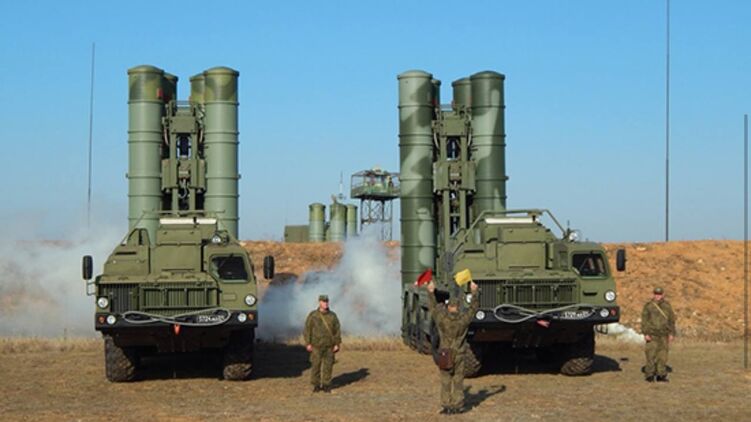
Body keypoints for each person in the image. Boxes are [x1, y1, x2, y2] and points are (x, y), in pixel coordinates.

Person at [424, 279, 479, 414]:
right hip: (459, 354)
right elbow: (473, 309)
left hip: (445, 353)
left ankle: (446, 405)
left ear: (449, 307)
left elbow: (433, 308)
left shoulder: (442, 319)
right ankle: (457, 405)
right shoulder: (463, 320)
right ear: (458, 308)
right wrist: (474, 293)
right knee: (458, 381)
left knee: (445, 381)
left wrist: (430, 292)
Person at [303, 294, 342, 393]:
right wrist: (308, 343)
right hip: (316, 345)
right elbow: (307, 329)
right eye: (324, 301)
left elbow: (337, 330)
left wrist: (337, 344)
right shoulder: (313, 315)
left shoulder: (332, 316)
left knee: (328, 366)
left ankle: (326, 384)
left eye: (327, 301)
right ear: (319, 302)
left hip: (329, 346)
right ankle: (316, 385)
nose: (326, 303)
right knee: (316, 366)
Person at [641, 287, 676, 382]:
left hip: (664, 334)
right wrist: (646, 333)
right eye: (656, 294)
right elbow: (644, 320)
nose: (657, 296)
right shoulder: (648, 306)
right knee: (650, 355)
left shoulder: (667, 306)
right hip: (652, 334)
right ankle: (649, 375)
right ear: (653, 294)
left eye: (659, 294)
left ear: (663, 295)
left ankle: (661, 374)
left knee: (663, 356)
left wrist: (672, 333)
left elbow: (671, 320)